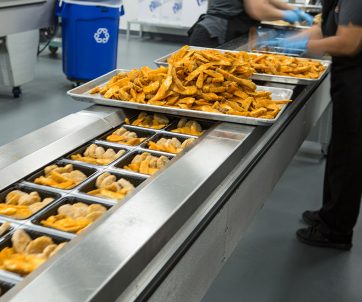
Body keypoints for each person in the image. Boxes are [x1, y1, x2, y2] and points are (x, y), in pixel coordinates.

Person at [267, 0, 362, 250]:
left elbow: (348, 42)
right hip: (348, 81)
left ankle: (336, 231)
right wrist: (285, 39)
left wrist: (304, 45)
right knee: (339, 149)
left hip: (358, 84)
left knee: (349, 157)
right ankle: (329, 213)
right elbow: (326, 29)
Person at [188, 0, 313, 48]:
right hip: (214, 35)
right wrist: (284, 15)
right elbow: (257, 9)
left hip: (230, 32)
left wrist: (291, 9)